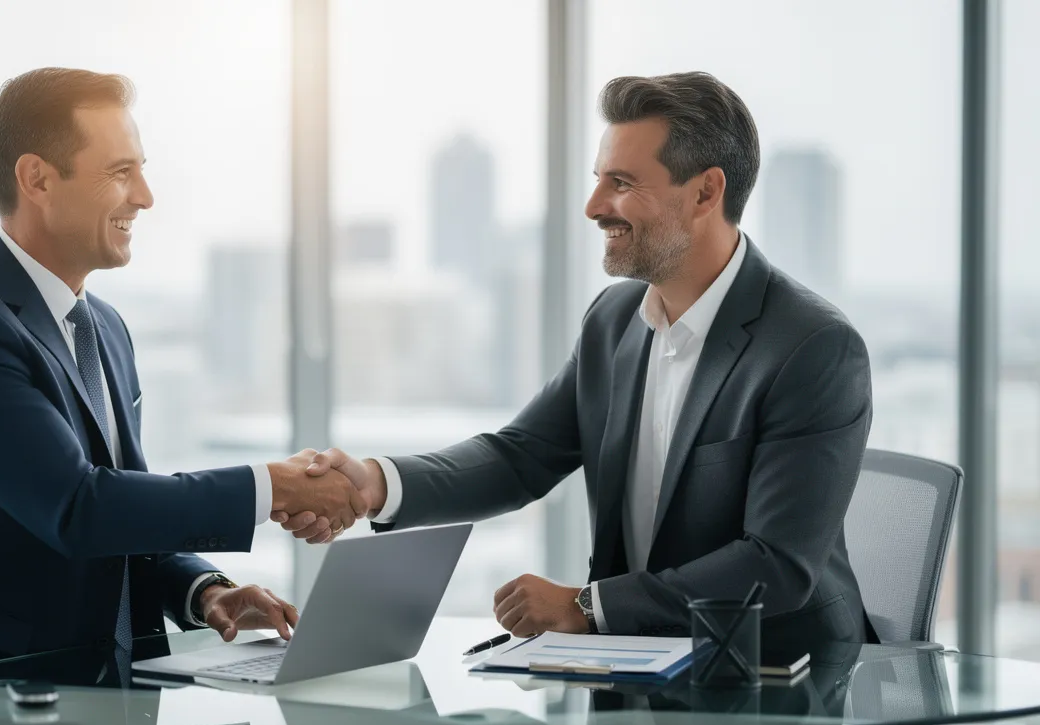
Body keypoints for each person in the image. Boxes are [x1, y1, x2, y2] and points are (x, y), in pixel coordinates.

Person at [0, 67, 365, 725]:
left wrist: (206, 594)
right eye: (120, 172)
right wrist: (275, 487)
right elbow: (77, 509)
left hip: (92, 698)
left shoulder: (101, 327)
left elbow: (126, 516)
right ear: (38, 179)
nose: (144, 196)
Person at [281, 71, 873, 648]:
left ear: (705, 192)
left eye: (621, 181)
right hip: (634, 668)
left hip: (779, 681)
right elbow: (520, 458)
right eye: (598, 179)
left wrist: (588, 605)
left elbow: (776, 565)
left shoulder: (812, 348)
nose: (593, 206)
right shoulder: (613, 321)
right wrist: (375, 484)